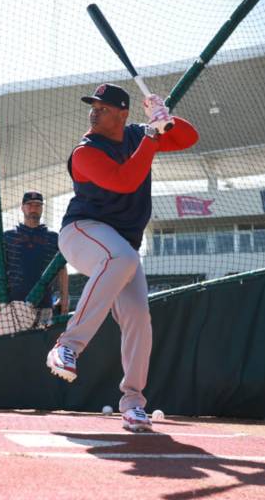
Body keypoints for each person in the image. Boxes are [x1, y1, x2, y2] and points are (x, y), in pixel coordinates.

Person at [45, 83, 198, 432]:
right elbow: (125, 180)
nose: (94, 111)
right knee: (121, 258)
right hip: (83, 232)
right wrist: (152, 136)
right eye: (93, 106)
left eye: (103, 106)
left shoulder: (136, 135)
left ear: (122, 113)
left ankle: (133, 403)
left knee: (138, 317)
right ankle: (67, 346)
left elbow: (189, 138)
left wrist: (164, 117)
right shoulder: (85, 151)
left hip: (123, 249)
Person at [0, 191, 69, 323]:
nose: (34, 209)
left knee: (43, 343)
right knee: (16, 343)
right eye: (29, 205)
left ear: (42, 208)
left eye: (38, 205)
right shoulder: (8, 236)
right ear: (22, 207)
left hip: (44, 304)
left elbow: (62, 269)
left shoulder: (53, 237)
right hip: (13, 304)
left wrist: (65, 296)